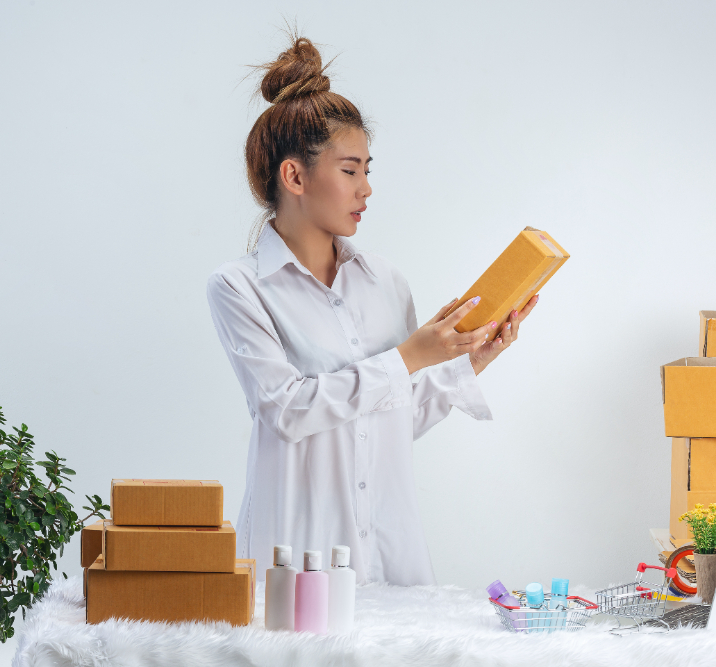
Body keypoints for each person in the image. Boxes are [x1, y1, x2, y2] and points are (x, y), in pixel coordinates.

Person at [206, 36, 538, 585]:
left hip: (389, 552)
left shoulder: (386, 281)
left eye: (367, 170)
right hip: (297, 554)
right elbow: (284, 411)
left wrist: (468, 359)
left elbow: (392, 420)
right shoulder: (239, 288)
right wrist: (408, 357)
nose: (366, 189)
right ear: (294, 177)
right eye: (350, 170)